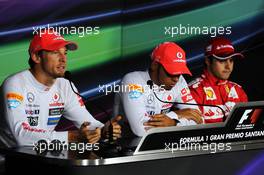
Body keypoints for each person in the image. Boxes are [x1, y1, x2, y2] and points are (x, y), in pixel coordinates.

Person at [0, 29, 121, 147]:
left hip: (42, 157)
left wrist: (103, 129)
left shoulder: (65, 86)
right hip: (7, 161)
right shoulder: (15, 84)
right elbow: (21, 136)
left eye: (65, 53)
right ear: (36, 57)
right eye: (55, 52)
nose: (63, 59)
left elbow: (87, 123)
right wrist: (71, 137)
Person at [114, 42, 202, 137]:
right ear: (155, 65)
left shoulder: (179, 81)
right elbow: (140, 130)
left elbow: (198, 119)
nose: (176, 79)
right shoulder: (132, 81)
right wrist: (176, 115)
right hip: (123, 144)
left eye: (179, 73)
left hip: (157, 142)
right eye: (171, 72)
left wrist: (174, 123)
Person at [188, 37, 248, 123]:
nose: (228, 67)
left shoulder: (238, 91)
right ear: (208, 61)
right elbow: (192, 133)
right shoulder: (194, 91)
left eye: (231, 60)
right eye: (222, 60)